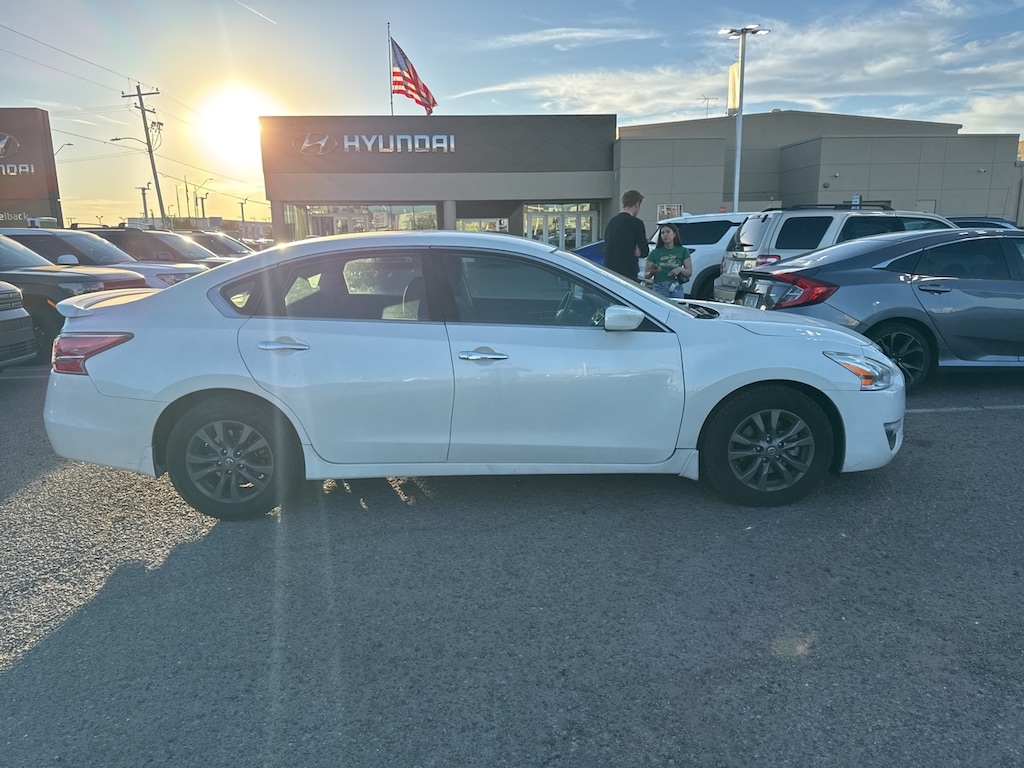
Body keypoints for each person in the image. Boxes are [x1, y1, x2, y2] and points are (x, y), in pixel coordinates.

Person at [603, 190, 649, 281]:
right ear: (637, 204)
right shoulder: (636, 223)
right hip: (628, 273)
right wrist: (639, 251)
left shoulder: (612, 222)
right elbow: (644, 251)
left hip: (610, 272)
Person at [644, 222, 692, 298]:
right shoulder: (654, 252)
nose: (665, 235)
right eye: (662, 233)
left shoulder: (683, 251)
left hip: (676, 286)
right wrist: (652, 272)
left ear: (675, 234)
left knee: (676, 308)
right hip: (659, 287)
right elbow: (646, 275)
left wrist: (680, 269)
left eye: (668, 232)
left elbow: (689, 272)